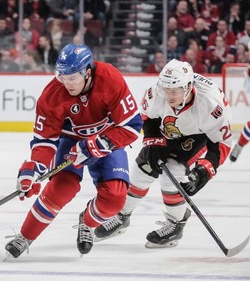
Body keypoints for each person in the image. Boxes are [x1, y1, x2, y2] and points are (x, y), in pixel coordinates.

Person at [4, 43, 142, 258]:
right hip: (70, 142)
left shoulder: (109, 78)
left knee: (115, 198)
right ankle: (25, 236)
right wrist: (34, 169)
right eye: (62, 77)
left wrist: (98, 145)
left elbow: (132, 125)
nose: (66, 83)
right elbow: (44, 141)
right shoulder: (52, 95)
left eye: (72, 78)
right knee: (61, 189)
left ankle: (86, 223)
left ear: (87, 72)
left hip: (107, 138)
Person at [94, 59, 233, 248]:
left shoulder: (210, 104)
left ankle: (176, 224)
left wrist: (203, 172)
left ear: (188, 87)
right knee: (141, 169)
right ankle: (122, 215)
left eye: (173, 91)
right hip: (166, 130)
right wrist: (153, 142)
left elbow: (221, 143)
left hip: (197, 135)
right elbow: (147, 116)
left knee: (173, 174)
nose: (168, 95)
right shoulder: (158, 91)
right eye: (166, 89)